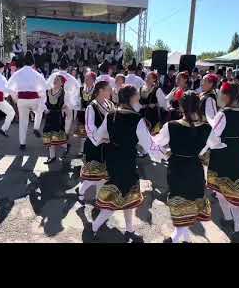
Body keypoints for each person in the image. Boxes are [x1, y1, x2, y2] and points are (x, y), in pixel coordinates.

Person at [86, 85, 165, 243]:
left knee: (128, 195)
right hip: (126, 161)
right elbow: (149, 145)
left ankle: (129, 229)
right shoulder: (136, 119)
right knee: (115, 198)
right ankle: (94, 228)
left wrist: (107, 139)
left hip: (113, 159)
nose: (139, 100)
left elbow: (97, 137)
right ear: (131, 98)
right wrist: (165, 153)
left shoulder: (111, 115)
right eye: (137, 97)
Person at [154, 91, 211, 243]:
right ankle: (181, 237)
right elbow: (207, 152)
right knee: (190, 201)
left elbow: (156, 145)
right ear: (199, 106)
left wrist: (165, 154)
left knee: (180, 202)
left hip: (177, 169)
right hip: (195, 169)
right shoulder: (206, 128)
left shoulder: (171, 126)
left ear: (180, 105)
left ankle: (178, 237)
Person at [207, 82, 239, 243]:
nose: (218, 95)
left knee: (220, 190)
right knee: (235, 192)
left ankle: (229, 219)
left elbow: (213, 135)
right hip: (238, 151)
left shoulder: (223, 113)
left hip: (223, 153)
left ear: (226, 96)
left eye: (220, 93)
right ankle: (236, 227)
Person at [76, 81, 115, 205]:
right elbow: (89, 128)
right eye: (109, 89)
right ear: (101, 91)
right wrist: (100, 140)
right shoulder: (91, 107)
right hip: (95, 145)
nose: (111, 92)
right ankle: (82, 191)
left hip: (108, 145)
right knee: (94, 176)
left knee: (103, 176)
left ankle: (98, 200)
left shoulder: (110, 104)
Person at [7, 51, 48, 150]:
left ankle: (22, 143)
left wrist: (15, 98)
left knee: (23, 122)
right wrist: (43, 101)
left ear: (24, 62)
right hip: (34, 99)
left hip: (21, 100)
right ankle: (36, 127)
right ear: (33, 63)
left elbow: (8, 87)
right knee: (39, 111)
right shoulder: (37, 74)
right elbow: (43, 89)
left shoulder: (17, 74)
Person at [47, 56, 81, 154]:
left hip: (55, 101)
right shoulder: (71, 78)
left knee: (55, 120)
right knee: (68, 118)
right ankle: (64, 136)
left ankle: (56, 140)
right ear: (67, 67)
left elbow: (47, 86)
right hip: (67, 102)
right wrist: (73, 101)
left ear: (59, 65)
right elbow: (77, 89)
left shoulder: (53, 76)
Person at [43, 75, 69, 164]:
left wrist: (66, 111)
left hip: (58, 116)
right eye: (55, 79)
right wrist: (45, 109)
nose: (55, 81)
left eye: (58, 80)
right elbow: (43, 102)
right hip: (49, 116)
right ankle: (52, 156)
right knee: (49, 135)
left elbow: (65, 104)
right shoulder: (48, 91)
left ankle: (66, 146)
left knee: (57, 136)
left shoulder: (63, 92)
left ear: (62, 83)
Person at [74, 71, 96, 157]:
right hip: (82, 113)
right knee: (83, 133)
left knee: (92, 132)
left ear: (93, 79)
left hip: (93, 114)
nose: (86, 80)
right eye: (86, 78)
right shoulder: (81, 89)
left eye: (88, 78)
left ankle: (92, 150)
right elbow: (78, 101)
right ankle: (82, 150)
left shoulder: (96, 90)